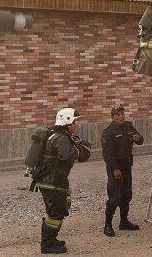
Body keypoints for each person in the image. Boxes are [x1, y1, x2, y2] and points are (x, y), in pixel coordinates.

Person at [35, 108, 91, 254]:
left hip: (51, 180)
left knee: (55, 211)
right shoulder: (60, 138)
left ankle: (51, 239)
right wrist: (80, 148)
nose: (76, 125)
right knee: (56, 212)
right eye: (74, 122)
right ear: (67, 122)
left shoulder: (55, 135)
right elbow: (67, 155)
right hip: (52, 182)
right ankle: (47, 245)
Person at [101, 106, 144, 237]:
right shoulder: (108, 132)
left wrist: (138, 138)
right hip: (115, 169)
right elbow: (107, 153)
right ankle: (107, 225)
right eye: (118, 114)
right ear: (113, 117)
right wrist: (114, 169)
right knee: (114, 198)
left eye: (122, 114)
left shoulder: (128, 126)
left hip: (127, 167)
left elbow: (140, 141)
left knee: (126, 195)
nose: (121, 116)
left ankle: (124, 222)